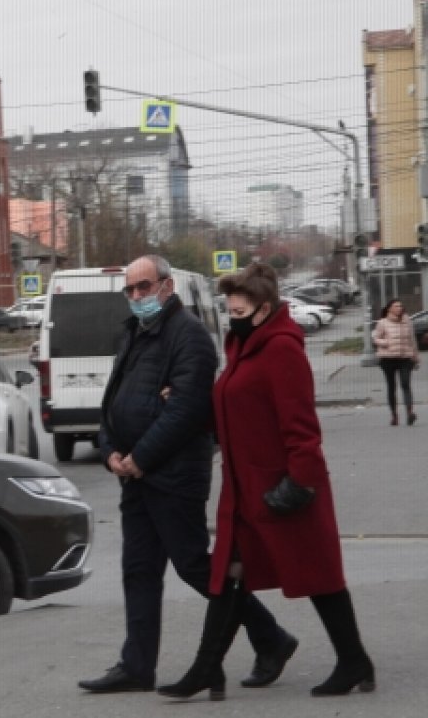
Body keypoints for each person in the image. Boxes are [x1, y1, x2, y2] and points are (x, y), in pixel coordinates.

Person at [78, 255, 295, 695]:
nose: (137, 296)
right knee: (138, 570)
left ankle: (271, 637)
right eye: (130, 289)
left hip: (174, 476)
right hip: (134, 476)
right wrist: (109, 452)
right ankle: (136, 665)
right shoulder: (133, 333)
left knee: (196, 565)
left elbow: (187, 409)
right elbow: (112, 403)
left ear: (167, 285)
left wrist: (140, 456)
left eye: (144, 287)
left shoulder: (189, 336)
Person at [159, 262, 375, 700]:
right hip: (244, 492)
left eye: (239, 311)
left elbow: (301, 428)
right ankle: (207, 669)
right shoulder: (246, 347)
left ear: (264, 309)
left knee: (320, 578)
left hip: (284, 491)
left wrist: (300, 484)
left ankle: (353, 660)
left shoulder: (280, 350)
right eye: (229, 311)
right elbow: (235, 416)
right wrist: (189, 403)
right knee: (227, 574)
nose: (232, 318)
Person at [372, 298, 419, 426]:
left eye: (401, 306)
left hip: (405, 358)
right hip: (388, 359)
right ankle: (394, 415)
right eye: (397, 306)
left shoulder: (407, 321)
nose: (400, 308)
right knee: (391, 386)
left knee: (405, 384)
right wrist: (385, 342)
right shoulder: (382, 322)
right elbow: (375, 337)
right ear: (389, 308)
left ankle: (410, 413)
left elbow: (412, 339)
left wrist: (415, 357)